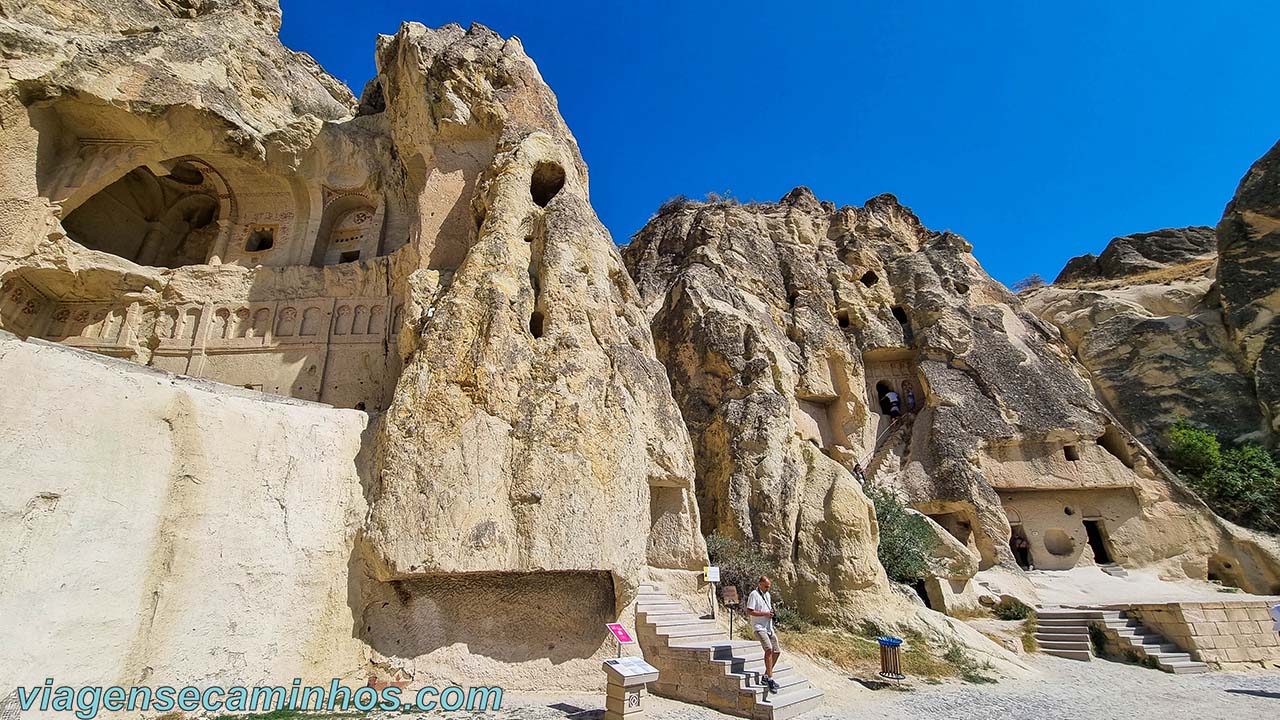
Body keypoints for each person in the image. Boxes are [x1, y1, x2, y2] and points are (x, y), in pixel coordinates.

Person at [745, 576, 782, 693]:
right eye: (766, 586)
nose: (767, 588)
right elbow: (749, 611)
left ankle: (766, 676)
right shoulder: (754, 595)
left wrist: (770, 614)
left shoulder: (767, 595)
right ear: (760, 584)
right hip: (759, 627)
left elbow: (768, 608)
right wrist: (765, 614)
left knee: (776, 651)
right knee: (769, 649)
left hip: (768, 627)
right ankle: (770, 679)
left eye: (769, 587)